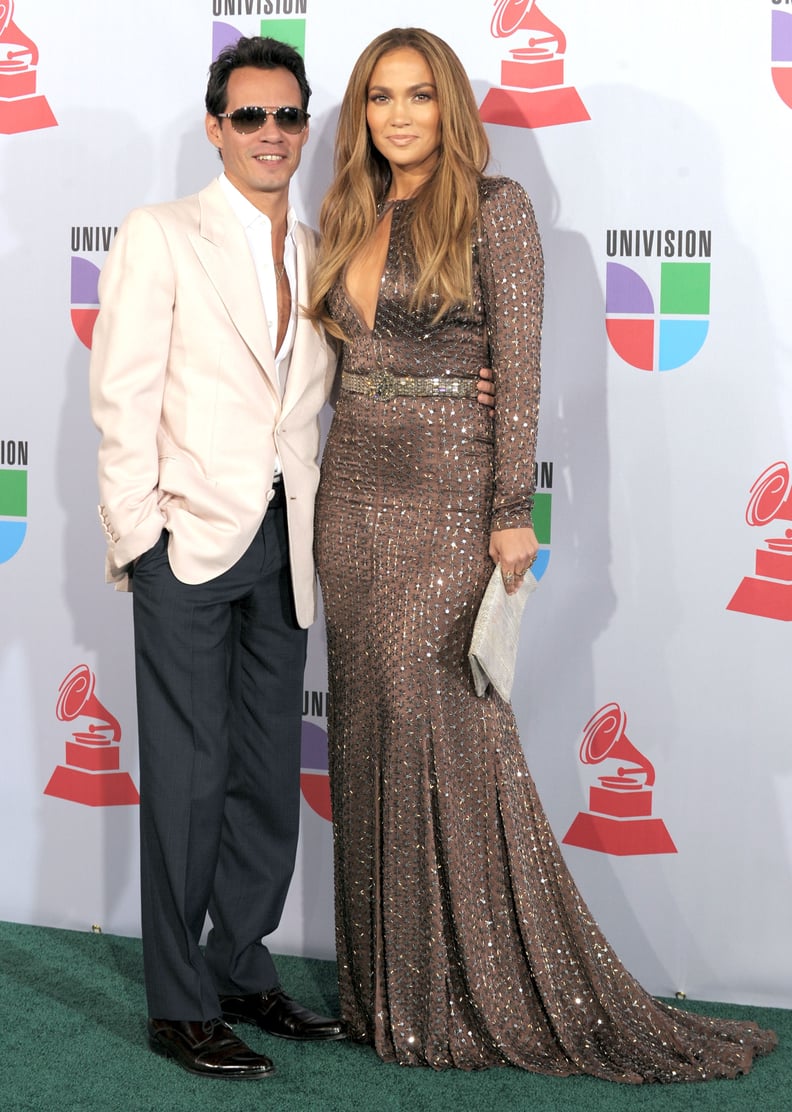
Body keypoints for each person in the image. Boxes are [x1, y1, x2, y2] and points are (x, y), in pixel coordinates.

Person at [310, 27, 776, 1081]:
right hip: (351, 494)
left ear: (450, 106)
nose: (396, 116)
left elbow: (518, 370)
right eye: (379, 96)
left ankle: (467, 988)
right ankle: (384, 992)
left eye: (417, 95)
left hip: (446, 494)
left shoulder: (496, 207)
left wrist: (509, 509)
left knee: (445, 727)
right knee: (369, 728)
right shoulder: (345, 211)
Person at [89, 36, 347, 1080]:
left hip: (286, 546)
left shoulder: (317, 244)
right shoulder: (162, 234)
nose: (272, 135)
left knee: (265, 779)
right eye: (251, 117)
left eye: (288, 117)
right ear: (215, 126)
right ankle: (178, 1001)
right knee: (189, 782)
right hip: (187, 543)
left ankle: (241, 964)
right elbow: (121, 398)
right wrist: (140, 538)